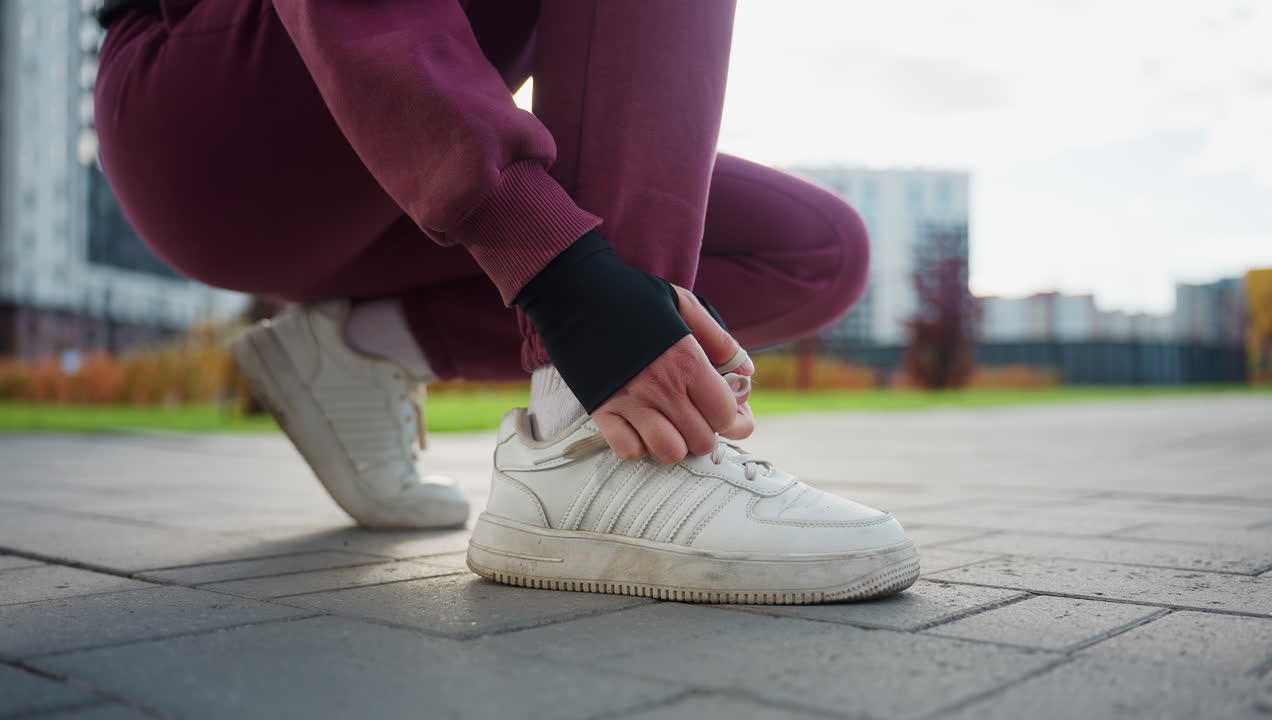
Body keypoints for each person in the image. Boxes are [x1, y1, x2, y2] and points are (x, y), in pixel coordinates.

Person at [94, 0, 919, 603]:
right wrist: (561, 275)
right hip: (219, 112)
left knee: (815, 251)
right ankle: (595, 443)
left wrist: (579, 276)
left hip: (390, 163)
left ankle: (364, 346)